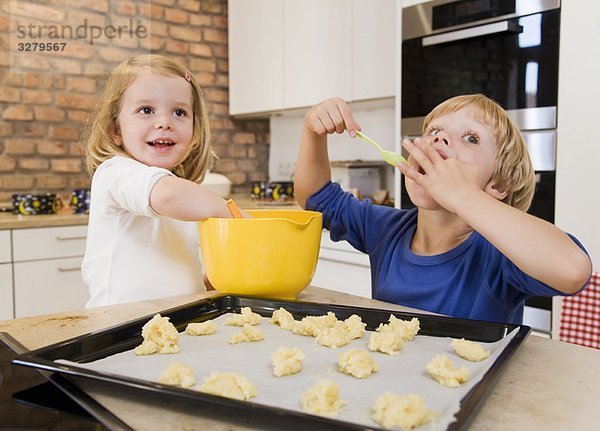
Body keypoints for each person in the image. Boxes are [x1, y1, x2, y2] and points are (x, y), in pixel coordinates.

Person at [295, 94, 591, 324]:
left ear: (497, 184)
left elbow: (572, 270)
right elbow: (316, 197)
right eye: (434, 131)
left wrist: (464, 195)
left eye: (471, 138)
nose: (439, 138)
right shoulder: (386, 229)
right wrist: (312, 131)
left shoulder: (498, 254)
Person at [82, 54, 233, 308]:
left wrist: (209, 282)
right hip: (118, 330)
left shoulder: (185, 194)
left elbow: (185, 266)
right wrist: (233, 216)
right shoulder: (115, 172)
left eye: (179, 112)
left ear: (195, 131)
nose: (164, 123)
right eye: (146, 110)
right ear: (115, 130)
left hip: (175, 325)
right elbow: (166, 194)